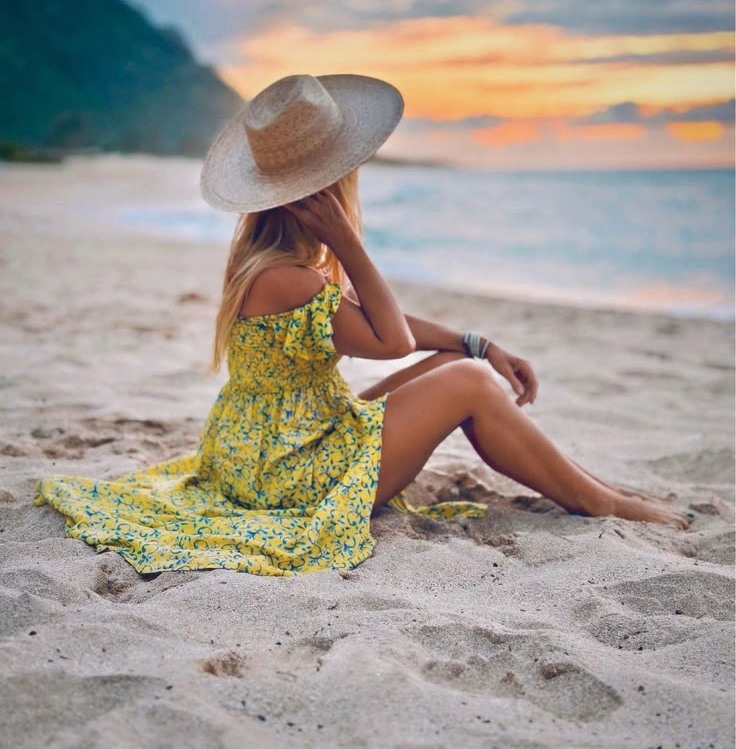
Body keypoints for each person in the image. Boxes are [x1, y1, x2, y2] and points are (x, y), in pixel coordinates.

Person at [33, 74, 688, 577]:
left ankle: (598, 489)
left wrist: (479, 342)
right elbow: (391, 340)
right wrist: (349, 243)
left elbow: (379, 326)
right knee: (466, 383)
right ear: (328, 187)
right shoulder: (289, 277)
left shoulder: (269, 259)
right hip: (284, 474)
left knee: (461, 368)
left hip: (276, 445)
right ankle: (603, 504)